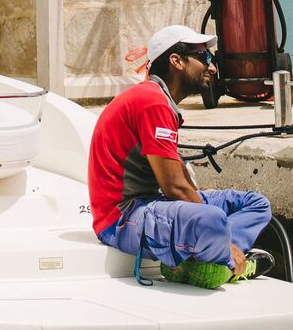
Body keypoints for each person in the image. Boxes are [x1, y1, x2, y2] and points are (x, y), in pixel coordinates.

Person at [89, 25, 275, 287]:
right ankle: (228, 265)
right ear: (176, 61)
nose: (211, 67)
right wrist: (226, 238)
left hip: (151, 204)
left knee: (257, 203)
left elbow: (178, 180)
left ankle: (216, 257)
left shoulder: (157, 100)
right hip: (121, 219)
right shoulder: (152, 102)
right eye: (204, 57)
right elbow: (174, 186)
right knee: (212, 219)